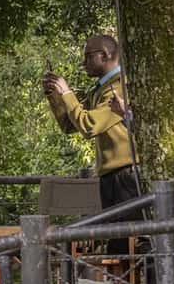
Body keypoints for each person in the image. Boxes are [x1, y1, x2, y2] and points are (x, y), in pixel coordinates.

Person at [43, 33, 140, 216]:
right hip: (109, 175)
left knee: (129, 230)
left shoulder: (119, 87)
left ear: (104, 55)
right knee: (114, 231)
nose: (83, 62)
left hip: (125, 174)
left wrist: (66, 92)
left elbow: (89, 126)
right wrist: (54, 95)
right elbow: (69, 124)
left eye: (88, 56)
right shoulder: (100, 89)